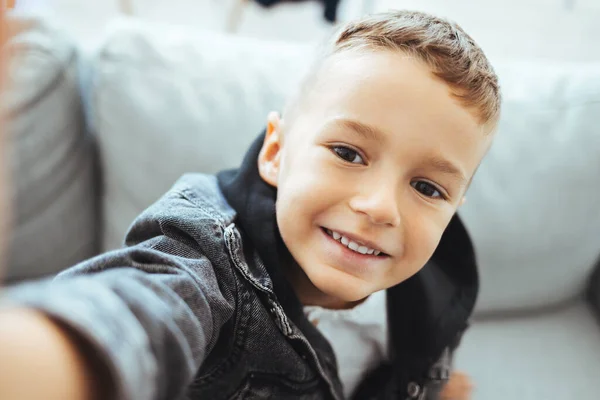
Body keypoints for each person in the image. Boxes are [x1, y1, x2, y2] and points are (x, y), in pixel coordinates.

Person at [0, 10, 500, 400]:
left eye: (428, 188)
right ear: (277, 153)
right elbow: (139, 320)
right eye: (348, 153)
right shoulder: (206, 261)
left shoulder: (442, 268)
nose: (379, 207)